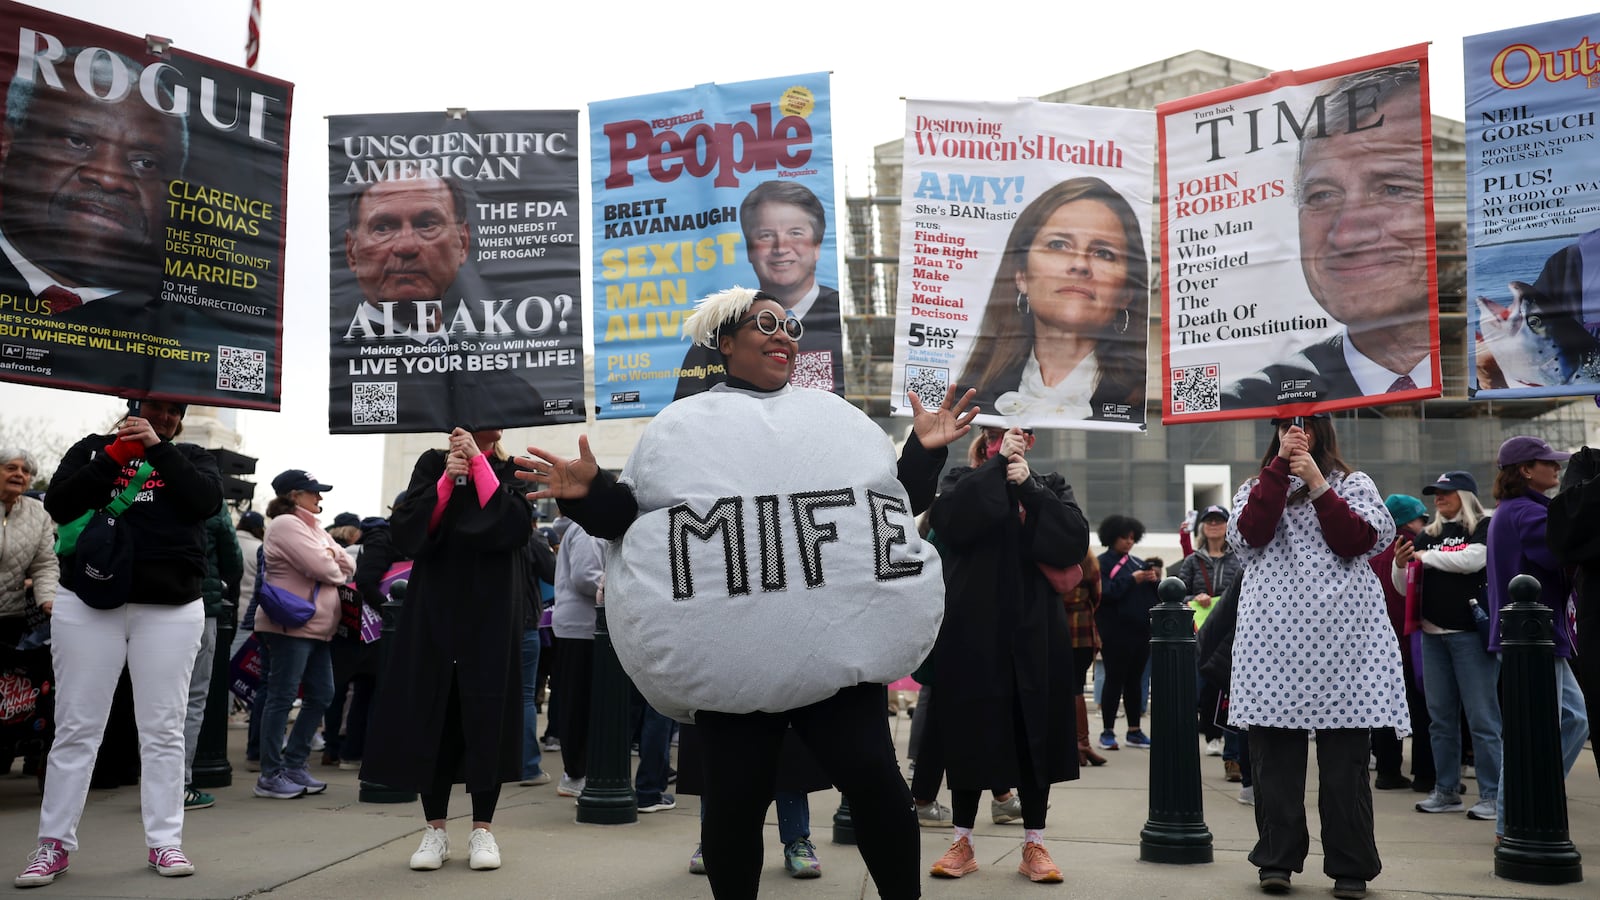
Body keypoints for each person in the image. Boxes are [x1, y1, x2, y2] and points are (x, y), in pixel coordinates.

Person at [517, 286, 976, 898]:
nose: (784, 334)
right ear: (725, 343)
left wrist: (922, 453)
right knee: (733, 806)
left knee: (876, 786)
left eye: (789, 323)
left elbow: (879, 514)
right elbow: (633, 521)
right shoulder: (680, 427)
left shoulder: (831, 417)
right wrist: (591, 492)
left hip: (830, 655)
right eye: (766, 323)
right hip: (730, 663)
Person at [17, 400, 220, 886]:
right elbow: (60, 504)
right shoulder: (92, 451)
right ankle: (53, 844)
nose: (165, 417)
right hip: (88, 601)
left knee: (163, 729)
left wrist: (156, 449)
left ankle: (165, 842)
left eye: (174, 411)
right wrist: (115, 454)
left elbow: (204, 503)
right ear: (133, 407)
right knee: (76, 728)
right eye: (155, 408)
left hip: (169, 608)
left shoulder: (191, 457)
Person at [1228, 415, 1407, 900]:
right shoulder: (1254, 486)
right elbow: (1252, 535)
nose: (1295, 431)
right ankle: (1277, 860)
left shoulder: (1356, 484)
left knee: (1346, 765)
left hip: (1346, 642)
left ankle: (1351, 867)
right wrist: (1278, 473)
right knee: (1275, 763)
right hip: (1274, 644)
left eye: (1304, 424)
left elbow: (1357, 541)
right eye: (1286, 425)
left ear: (1322, 431)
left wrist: (1318, 484)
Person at [925, 424, 1091, 883]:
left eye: (1018, 434)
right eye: (997, 433)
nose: (1007, 440)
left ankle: (1034, 844)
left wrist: (1029, 489)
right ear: (985, 438)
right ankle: (962, 841)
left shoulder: (1050, 484)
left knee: (1035, 730)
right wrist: (997, 469)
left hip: (1037, 629)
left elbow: (1072, 541)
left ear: (1032, 441)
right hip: (973, 629)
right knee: (969, 731)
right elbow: (950, 521)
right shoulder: (963, 478)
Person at [362, 428, 533, 872]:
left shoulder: (508, 468)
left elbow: (512, 526)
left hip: (492, 605)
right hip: (435, 603)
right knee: (432, 709)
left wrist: (479, 465)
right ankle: (434, 829)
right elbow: (408, 531)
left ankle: (483, 830)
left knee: (487, 712)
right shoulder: (431, 462)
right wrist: (444, 481)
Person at [1224, 65, 1432, 409]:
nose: (1346, 235)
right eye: (1322, 195)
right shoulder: (1242, 400)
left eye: (1393, 189)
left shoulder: (1508, 367)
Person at [332, 176, 545, 432]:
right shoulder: (340, 374)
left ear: (463, 243)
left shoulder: (512, 391)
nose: (406, 246)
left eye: (427, 224)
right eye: (383, 227)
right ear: (351, 250)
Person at [957, 177, 1148, 424]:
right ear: (1021, 275)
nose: (1079, 264)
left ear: (1127, 292)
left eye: (1103, 253)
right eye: (1058, 245)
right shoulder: (969, 399)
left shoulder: (1150, 399)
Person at [1485, 436, 1589, 836]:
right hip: (1533, 639)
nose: (1557, 469)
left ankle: (1529, 800)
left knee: (1572, 719)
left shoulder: (1512, 510)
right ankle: (1518, 813)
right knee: (1531, 734)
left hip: (1531, 637)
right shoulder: (1527, 513)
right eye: (1549, 463)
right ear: (1526, 470)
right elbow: (1563, 556)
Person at [673, 181, 844, 398]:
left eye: (795, 233)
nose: (781, 247)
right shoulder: (703, 355)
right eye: (765, 235)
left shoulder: (828, 407)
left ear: (817, 245)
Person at [1394, 472, 1497, 820]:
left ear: (1465, 494)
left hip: (1469, 633)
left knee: (1482, 719)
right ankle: (1447, 790)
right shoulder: (1428, 534)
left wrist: (1425, 558)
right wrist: (1400, 565)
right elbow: (1405, 587)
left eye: (1446, 492)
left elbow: (1474, 560)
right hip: (1431, 636)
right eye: (1436, 494)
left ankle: (1493, 795)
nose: (1439, 498)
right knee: (1440, 720)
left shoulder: (1482, 526)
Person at [252, 470, 355, 801]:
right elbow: (325, 568)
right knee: (281, 697)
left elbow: (344, 565)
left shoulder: (313, 527)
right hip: (291, 624)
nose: (320, 498)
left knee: (322, 695)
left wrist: (332, 557)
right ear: (295, 495)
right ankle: (270, 774)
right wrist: (332, 558)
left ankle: (294, 764)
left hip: (316, 628)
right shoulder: (287, 524)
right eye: (314, 492)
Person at [1369, 494, 1432, 794]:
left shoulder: (1371, 549)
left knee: (1384, 707)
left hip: (1377, 643)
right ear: (1410, 520)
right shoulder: (1413, 546)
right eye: (1422, 519)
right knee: (1421, 710)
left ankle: (1387, 770)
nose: (1424, 525)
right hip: (1412, 642)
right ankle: (1423, 773)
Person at [182, 503, 242, 811]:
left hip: (146, 603)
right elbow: (233, 560)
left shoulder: (146, 487)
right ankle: (178, 785)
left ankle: (159, 782)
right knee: (192, 697)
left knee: (157, 703)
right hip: (199, 603)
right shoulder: (211, 505)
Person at [1178, 505, 1242, 778]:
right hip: (1200, 638)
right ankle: (1184, 756)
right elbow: (1177, 595)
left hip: (1230, 639)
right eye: (1209, 521)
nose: (1214, 525)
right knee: (1196, 694)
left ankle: (1233, 760)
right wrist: (1193, 599)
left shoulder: (1239, 559)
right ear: (1202, 527)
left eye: (1219, 521)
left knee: (1230, 697)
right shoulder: (1192, 561)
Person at [1095, 514, 1159, 750]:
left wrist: (1153, 581)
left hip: (1140, 631)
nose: (1129, 542)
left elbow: (1154, 598)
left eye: (1132, 538)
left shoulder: (1138, 563)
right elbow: (1105, 593)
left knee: (1135, 681)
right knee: (1114, 680)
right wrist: (1132, 580)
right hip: (1114, 632)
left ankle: (1134, 730)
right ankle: (1107, 731)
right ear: (1112, 537)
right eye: (1124, 537)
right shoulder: (1101, 563)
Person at [549, 519, 603, 799]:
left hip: (579, 626)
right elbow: (586, 577)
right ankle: (575, 773)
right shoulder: (586, 530)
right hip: (582, 627)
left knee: (577, 701)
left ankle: (577, 770)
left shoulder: (580, 530)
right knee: (578, 703)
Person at [0, 449, 56, 646]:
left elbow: (45, 564)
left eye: (26, 471)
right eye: (11, 468)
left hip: (11, 615)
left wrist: (48, 598)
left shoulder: (39, 514)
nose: (19, 474)